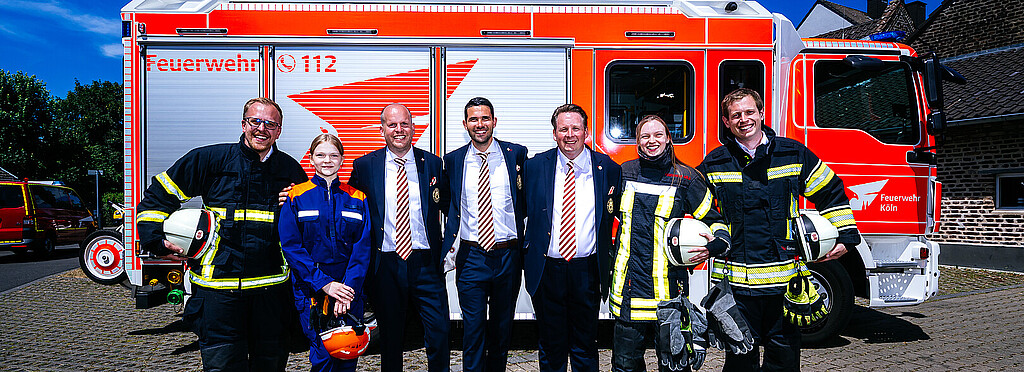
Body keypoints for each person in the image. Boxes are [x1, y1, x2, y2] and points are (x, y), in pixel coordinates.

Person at [135, 97, 307, 371]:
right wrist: (154, 238)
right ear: (243, 124)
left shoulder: (290, 171)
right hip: (218, 295)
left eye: (270, 124)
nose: (262, 129)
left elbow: (309, 226)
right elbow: (157, 198)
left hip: (271, 294)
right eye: (255, 121)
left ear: (279, 130)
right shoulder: (209, 159)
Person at [697, 88, 861, 371]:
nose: (744, 119)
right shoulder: (715, 162)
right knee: (739, 360)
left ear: (761, 114)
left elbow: (830, 190)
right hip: (737, 286)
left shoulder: (792, 154)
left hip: (785, 284)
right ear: (726, 122)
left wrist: (846, 235)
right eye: (736, 115)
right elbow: (694, 199)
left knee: (784, 360)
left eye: (750, 112)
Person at [610, 115, 732, 372]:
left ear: (668, 139)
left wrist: (716, 244)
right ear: (638, 142)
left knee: (675, 366)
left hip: (670, 294)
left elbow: (714, 220)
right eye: (645, 136)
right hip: (628, 292)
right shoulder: (623, 173)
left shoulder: (687, 178)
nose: (651, 141)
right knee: (624, 367)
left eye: (657, 135)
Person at [348, 104, 451, 372]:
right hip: (386, 264)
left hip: (426, 263)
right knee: (391, 339)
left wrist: (451, 252)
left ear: (413, 127)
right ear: (382, 129)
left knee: (439, 333)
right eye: (392, 125)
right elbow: (351, 210)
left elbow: (451, 207)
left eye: (404, 124)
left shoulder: (433, 164)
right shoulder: (364, 166)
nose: (399, 130)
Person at [523, 104, 621, 372]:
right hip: (547, 269)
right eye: (563, 129)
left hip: (587, 271)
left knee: (585, 345)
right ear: (554, 133)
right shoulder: (533, 167)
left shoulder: (607, 168)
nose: (569, 134)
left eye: (575, 128)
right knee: (551, 346)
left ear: (586, 132)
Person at [442, 96, 528, 372]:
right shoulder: (453, 160)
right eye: (474, 119)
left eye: (485, 118)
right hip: (472, 256)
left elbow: (525, 198)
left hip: (508, 255)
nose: (480, 125)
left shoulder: (516, 154)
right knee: (473, 330)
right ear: (465, 124)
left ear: (494, 121)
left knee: (502, 330)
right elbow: (447, 202)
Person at [279, 134, 372, 372]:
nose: (327, 160)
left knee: (348, 353)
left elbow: (362, 249)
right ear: (311, 159)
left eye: (333, 155)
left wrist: (346, 292)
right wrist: (325, 285)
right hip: (312, 290)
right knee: (322, 356)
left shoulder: (357, 197)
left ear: (342, 160)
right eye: (321, 155)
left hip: (348, 289)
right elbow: (291, 246)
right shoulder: (295, 196)